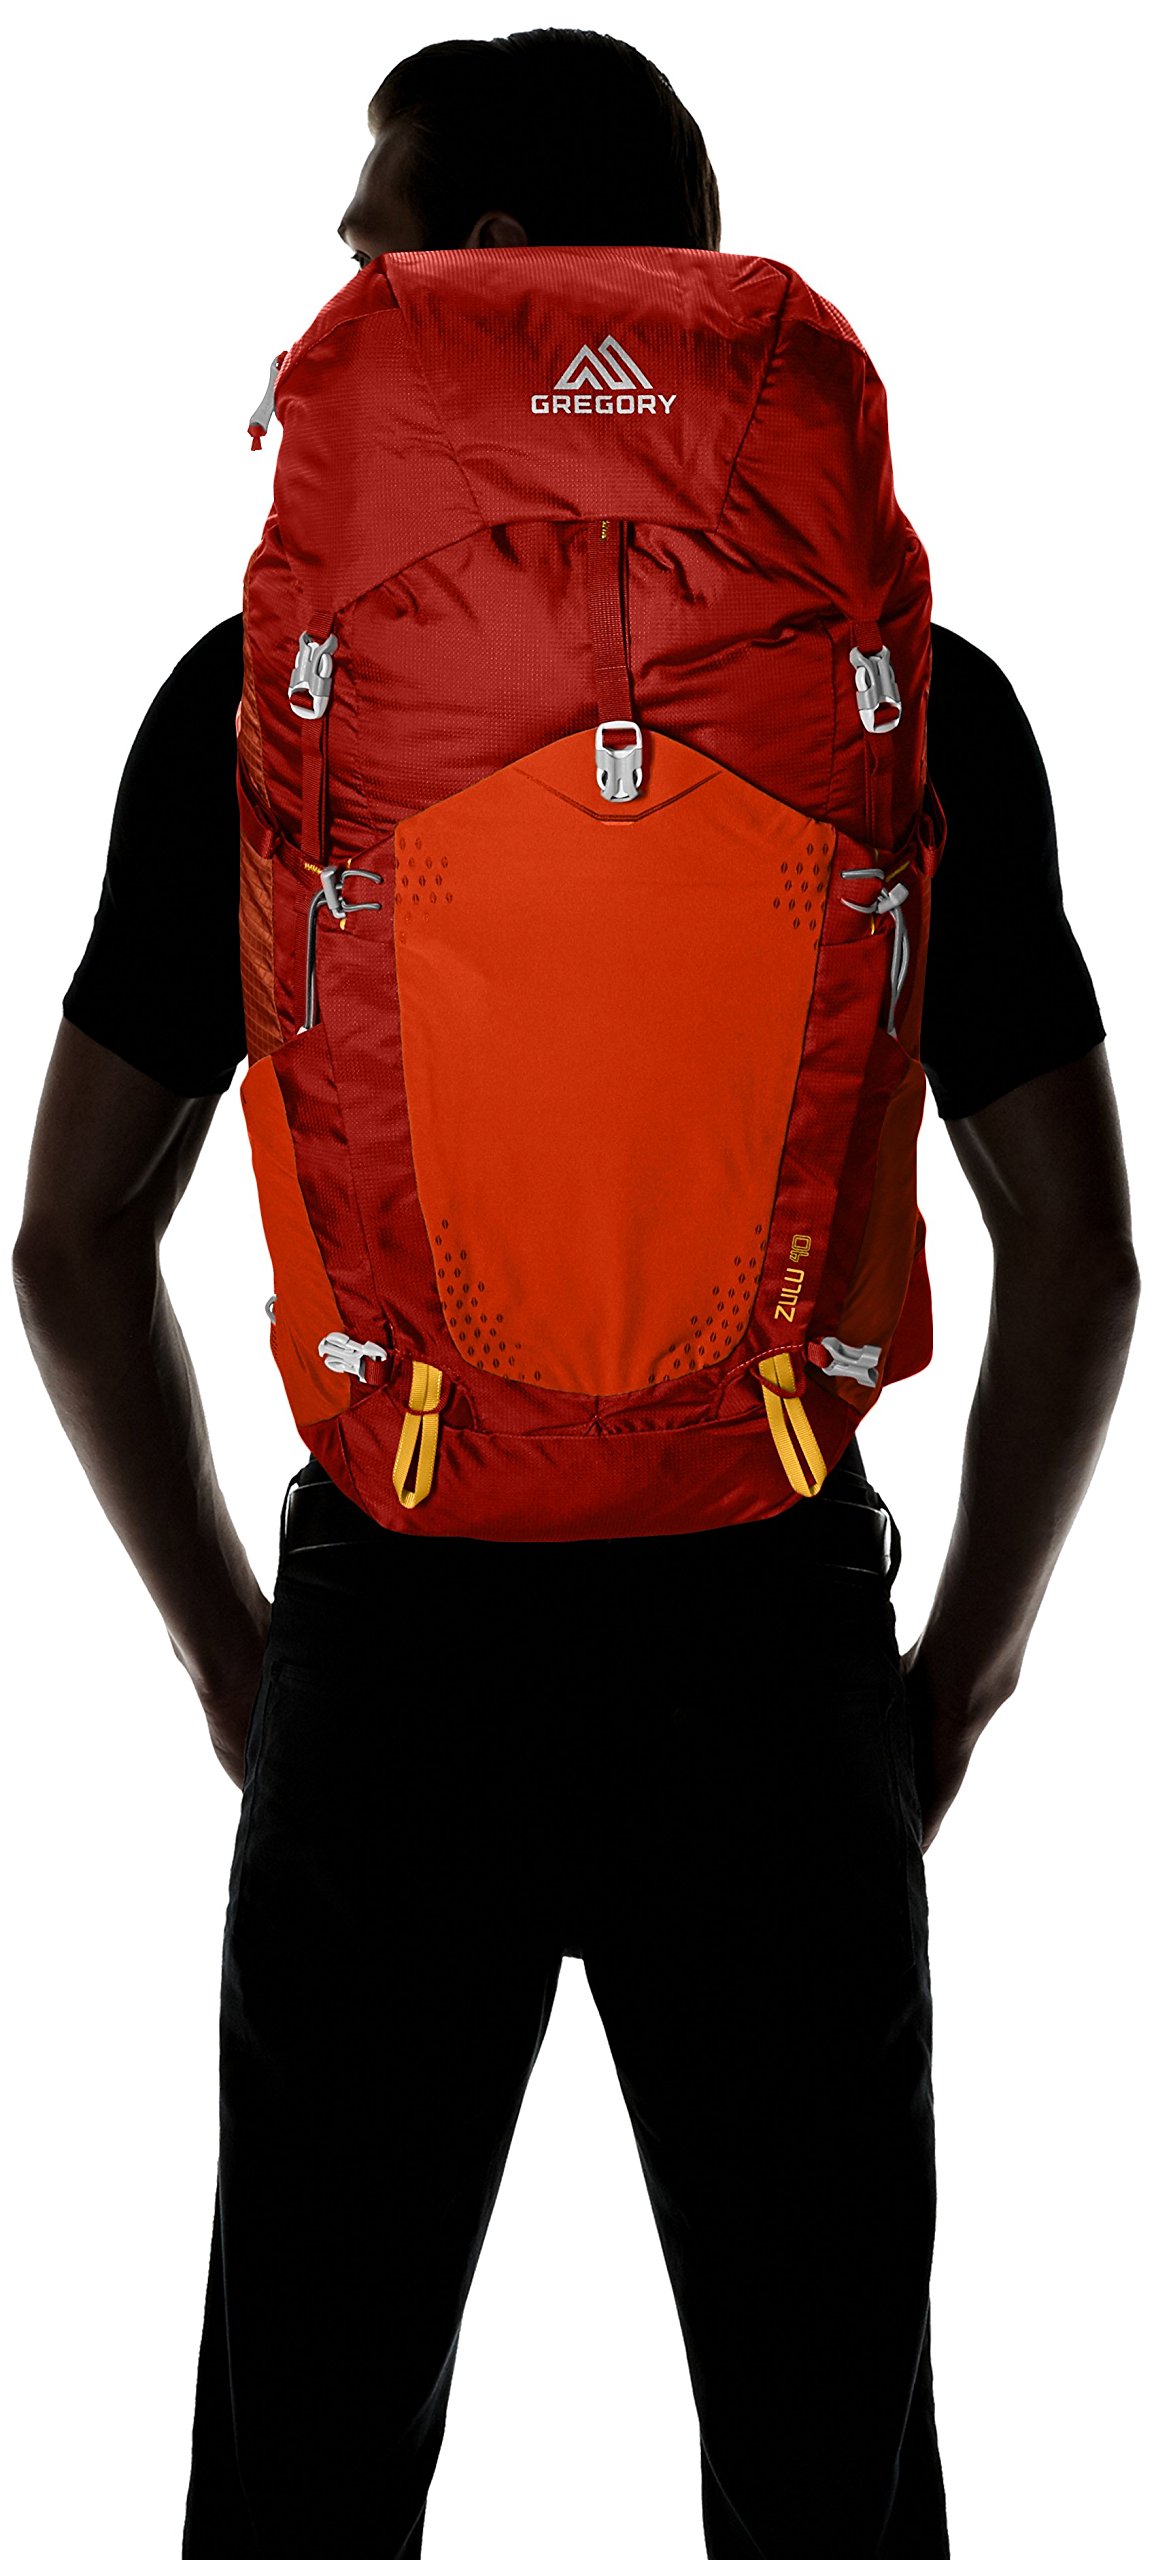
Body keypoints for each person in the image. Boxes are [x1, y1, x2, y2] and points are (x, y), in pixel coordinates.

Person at [11, 29, 1140, 2560]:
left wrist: (238, 1660)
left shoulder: (258, 699)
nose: (338, 284)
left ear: (497, 267)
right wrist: (952, 1676)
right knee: (825, 2432)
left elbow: (70, 1240)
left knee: (306, 2435)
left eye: (373, 239)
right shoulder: (905, 693)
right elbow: (1079, 1246)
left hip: (398, 1627)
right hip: (763, 1633)